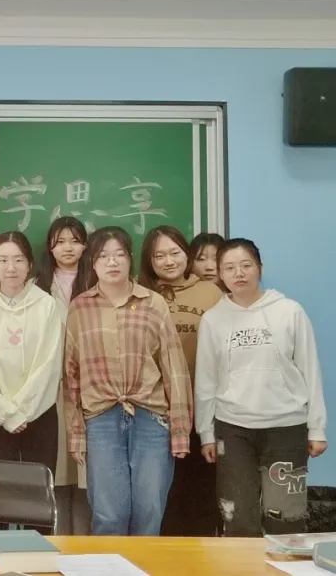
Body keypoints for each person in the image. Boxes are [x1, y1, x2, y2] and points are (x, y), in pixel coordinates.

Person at [63, 226, 191, 536]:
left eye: (119, 254)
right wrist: (76, 433)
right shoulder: (80, 307)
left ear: (130, 259)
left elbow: (174, 368)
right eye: (103, 256)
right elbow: (71, 375)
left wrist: (179, 429)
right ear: (92, 263)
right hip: (101, 419)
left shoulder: (153, 303)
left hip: (150, 417)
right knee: (109, 515)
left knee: (149, 511)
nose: (112, 262)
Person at [195, 238, 327, 537]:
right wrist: (206, 433)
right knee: (238, 518)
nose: (238, 273)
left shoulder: (289, 311)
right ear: (220, 274)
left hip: (287, 427)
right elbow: (206, 381)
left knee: (286, 519)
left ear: (260, 268)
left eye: (246, 265)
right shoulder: (213, 319)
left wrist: (317, 429)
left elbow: (310, 370)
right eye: (229, 268)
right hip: (233, 429)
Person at [139, 225, 224, 537]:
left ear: (186, 254)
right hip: (156, 408)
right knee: (162, 491)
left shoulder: (210, 293)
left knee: (201, 487)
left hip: (202, 406)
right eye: (159, 255)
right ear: (149, 260)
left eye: (175, 252)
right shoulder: (141, 293)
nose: (169, 261)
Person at [0, 232, 63, 491]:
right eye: (3, 260)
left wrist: (23, 411)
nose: (11, 268)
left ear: (30, 264)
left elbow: (49, 364)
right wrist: (6, 413)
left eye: (18, 260)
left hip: (40, 412)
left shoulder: (46, 306)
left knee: (39, 491)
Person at [33, 216, 89, 534]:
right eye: (61, 241)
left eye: (75, 241)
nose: (68, 248)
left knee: (86, 475)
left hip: (90, 387)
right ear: (50, 247)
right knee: (57, 470)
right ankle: (59, 540)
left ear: (85, 246)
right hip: (52, 388)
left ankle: (84, 542)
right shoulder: (37, 286)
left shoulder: (97, 281)